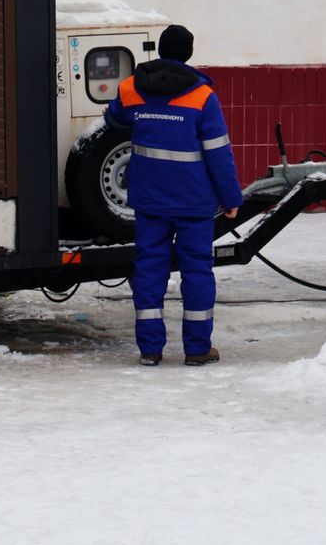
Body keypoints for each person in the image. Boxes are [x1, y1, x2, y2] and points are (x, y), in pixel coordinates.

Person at [103, 24, 243, 367]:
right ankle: (197, 350)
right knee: (196, 271)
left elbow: (112, 119)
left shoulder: (132, 88)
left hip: (149, 199)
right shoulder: (202, 97)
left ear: (159, 50)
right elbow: (218, 153)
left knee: (149, 270)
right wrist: (232, 198)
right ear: (189, 53)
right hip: (194, 202)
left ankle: (150, 349)